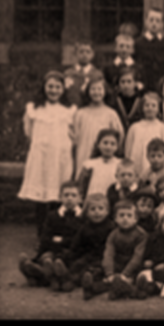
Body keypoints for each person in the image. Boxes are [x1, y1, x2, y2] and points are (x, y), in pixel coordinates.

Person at [17, 70, 77, 235]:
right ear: (43, 88)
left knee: (58, 197)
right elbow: (28, 131)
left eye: (58, 87)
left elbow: (74, 134)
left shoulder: (69, 110)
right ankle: (41, 235)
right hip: (41, 158)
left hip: (60, 159)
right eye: (50, 86)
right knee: (41, 198)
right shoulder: (34, 109)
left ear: (63, 90)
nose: (53, 90)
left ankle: (56, 236)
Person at [18, 181, 84, 288]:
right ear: (60, 197)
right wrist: (54, 243)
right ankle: (34, 270)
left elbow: (78, 240)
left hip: (70, 253)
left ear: (80, 198)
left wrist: (59, 240)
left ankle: (39, 276)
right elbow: (45, 237)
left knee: (58, 261)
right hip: (52, 250)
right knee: (46, 257)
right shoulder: (53, 215)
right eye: (66, 195)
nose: (69, 198)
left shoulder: (82, 217)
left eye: (73, 195)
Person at [82, 200, 148, 300]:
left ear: (135, 219)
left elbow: (137, 256)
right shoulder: (113, 234)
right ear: (115, 219)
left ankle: (133, 290)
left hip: (132, 267)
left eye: (129, 216)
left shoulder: (141, 235)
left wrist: (125, 274)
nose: (125, 218)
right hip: (117, 265)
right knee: (102, 275)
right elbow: (108, 254)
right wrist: (110, 273)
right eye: (121, 215)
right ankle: (91, 288)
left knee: (135, 277)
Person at [49, 193, 115, 293]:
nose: (97, 212)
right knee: (76, 264)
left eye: (101, 209)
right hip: (86, 255)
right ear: (87, 212)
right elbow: (77, 244)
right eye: (93, 209)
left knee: (92, 271)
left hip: (102, 258)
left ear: (107, 211)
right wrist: (71, 254)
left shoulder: (111, 227)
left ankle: (70, 281)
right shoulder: (85, 227)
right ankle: (59, 276)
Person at [123, 92, 164, 180]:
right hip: (137, 166)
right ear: (142, 108)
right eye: (147, 105)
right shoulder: (134, 127)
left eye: (153, 106)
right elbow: (128, 150)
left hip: (156, 167)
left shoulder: (163, 127)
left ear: (158, 109)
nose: (150, 108)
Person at [134, 8, 164, 95]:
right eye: (151, 20)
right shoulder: (138, 43)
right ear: (146, 21)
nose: (154, 23)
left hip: (162, 85)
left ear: (162, 24)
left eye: (158, 21)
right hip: (143, 84)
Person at [77, 128, 122, 199]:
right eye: (105, 143)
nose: (108, 147)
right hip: (93, 200)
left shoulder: (120, 164)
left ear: (117, 147)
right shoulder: (89, 164)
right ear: (98, 144)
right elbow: (81, 187)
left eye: (112, 144)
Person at [63, 40, 99, 107]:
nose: (84, 54)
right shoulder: (68, 73)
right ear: (76, 54)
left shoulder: (97, 75)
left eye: (88, 52)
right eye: (81, 51)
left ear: (93, 54)